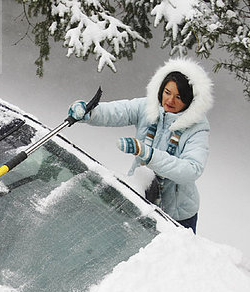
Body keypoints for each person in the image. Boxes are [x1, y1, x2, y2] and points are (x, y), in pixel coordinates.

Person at [68, 58, 213, 233]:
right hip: (141, 199)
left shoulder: (197, 128)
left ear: (190, 101)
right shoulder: (148, 107)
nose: (170, 100)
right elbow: (119, 111)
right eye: (167, 92)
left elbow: (192, 170)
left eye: (179, 97)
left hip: (177, 216)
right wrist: (89, 113)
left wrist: (147, 154)